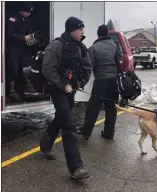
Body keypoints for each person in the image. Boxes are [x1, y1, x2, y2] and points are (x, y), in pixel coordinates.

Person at [39, 16, 92, 180]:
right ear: (71, 30)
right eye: (79, 29)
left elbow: (87, 68)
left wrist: (80, 82)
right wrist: (63, 85)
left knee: (61, 118)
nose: (82, 32)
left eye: (82, 29)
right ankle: (76, 168)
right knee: (69, 124)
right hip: (58, 90)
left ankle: (45, 144)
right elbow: (48, 69)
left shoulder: (81, 47)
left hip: (71, 90)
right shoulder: (57, 45)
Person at [78, 24, 122, 140]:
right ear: (107, 33)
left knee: (93, 106)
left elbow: (89, 65)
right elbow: (120, 58)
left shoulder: (94, 47)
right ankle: (109, 133)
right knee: (111, 107)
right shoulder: (115, 45)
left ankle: (86, 133)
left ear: (98, 34)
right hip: (114, 81)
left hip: (101, 80)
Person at [6, 2, 36, 101]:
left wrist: (34, 39)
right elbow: (10, 35)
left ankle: (26, 89)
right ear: (22, 11)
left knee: (25, 69)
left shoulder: (27, 20)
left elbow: (30, 33)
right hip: (12, 48)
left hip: (23, 49)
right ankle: (11, 92)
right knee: (13, 70)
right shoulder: (12, 19)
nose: (29, 14)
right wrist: (24, 37)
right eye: (27, 12)